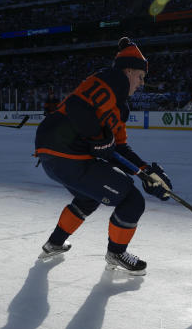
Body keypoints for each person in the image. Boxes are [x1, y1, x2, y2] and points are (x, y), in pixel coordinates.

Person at [33, 37, 172, 275]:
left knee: (88, 198)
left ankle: (54, 244)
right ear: (128, 70)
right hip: (66, 152)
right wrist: (98, 137)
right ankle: (117, 253)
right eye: (140, 76)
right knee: (132, 201)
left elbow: (117, 148)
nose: (140, 83)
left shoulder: (119, 106)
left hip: (52, 154)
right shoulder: (115, 79)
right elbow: (78, 108)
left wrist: (145, 172)